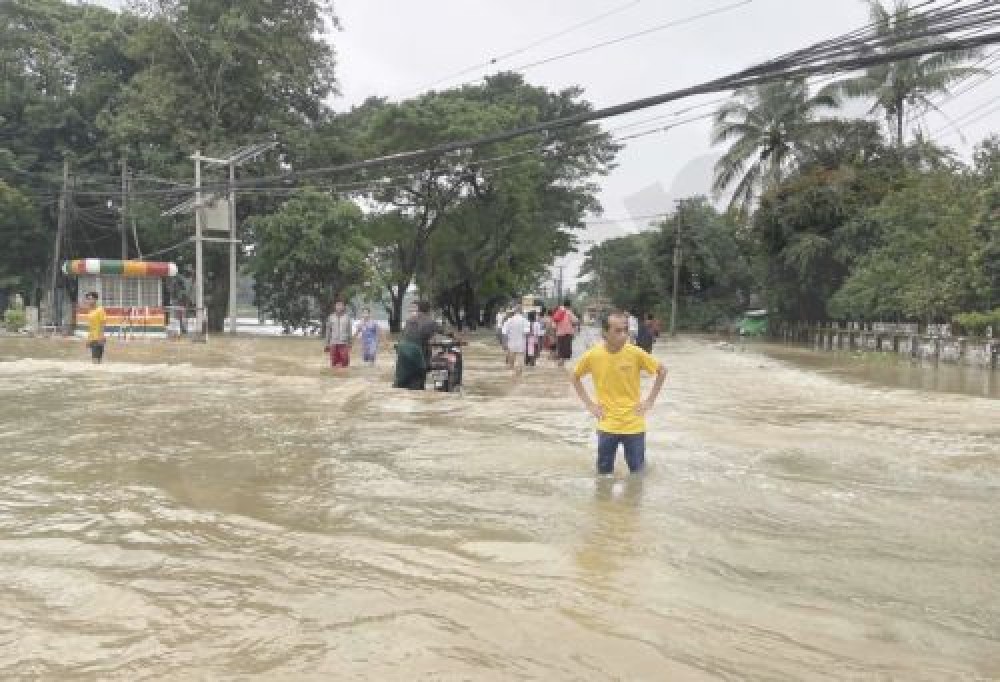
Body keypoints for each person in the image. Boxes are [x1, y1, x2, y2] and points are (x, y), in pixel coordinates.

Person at [571, 311, 667, 475]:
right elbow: (574, 376)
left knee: (638, 474)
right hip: (607, 423)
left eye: (625, 330)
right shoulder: (593, 355)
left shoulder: (635, 353)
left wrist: (649, 401)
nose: (623, 335)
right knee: (603, 475)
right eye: (617, 331)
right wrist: (590, 405)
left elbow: (662, 371)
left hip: (634, 424)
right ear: (605, 333)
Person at [394, 300, 444, 390]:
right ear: (429, 311)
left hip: (402, 352)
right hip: (416, 353)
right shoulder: (430, 321)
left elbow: (403, 336)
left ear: (418, 310)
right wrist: (459, 339)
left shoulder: (409, 320)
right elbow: (445, 332)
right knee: (418, 382)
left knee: (400, 384)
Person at [323, 299, 354, 369]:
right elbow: (328, 331)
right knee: (334, 363)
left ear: (343, 307)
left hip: (344, 343)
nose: (339, 307)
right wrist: (326, 344)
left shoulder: (347, 317)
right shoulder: (331, 317)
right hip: (333, 343)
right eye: (338, 305)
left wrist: (350, 343)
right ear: (335, 306)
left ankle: (344, 378)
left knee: (345, 363)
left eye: (341, 305)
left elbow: (349, 331)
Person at [502, 305, 528, 377]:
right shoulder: (525, 320)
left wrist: (504, 344)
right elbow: (526, 332)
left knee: (511, 363)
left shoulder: (509, 320)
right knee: (520, 362)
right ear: (521, 311)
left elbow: (504, 333)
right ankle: (518, 375)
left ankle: (512, 376)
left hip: (511, 344)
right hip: (521, 344)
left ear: (514, 311)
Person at [553, 298, 579, 367]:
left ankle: (560, 361)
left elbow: (554, 323)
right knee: (567, 349)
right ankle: (563, 364)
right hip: (567, 333)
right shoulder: (568, 312)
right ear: (569, 305)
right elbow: (576, 320)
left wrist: (556, 329)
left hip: (559, 333)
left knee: (560, 348)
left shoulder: (558, 311)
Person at [82, 291, 106, 364]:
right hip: (92, 338)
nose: (89, 301)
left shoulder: (100, 310)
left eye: (90, 299)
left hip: (98, 338)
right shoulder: (90, 311)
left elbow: (102, 323)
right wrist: (88, 339)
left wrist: (101, 337)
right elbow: (91, 327)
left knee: (96, 362)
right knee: (96, 362)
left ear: (95, 300)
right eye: (88, 299)